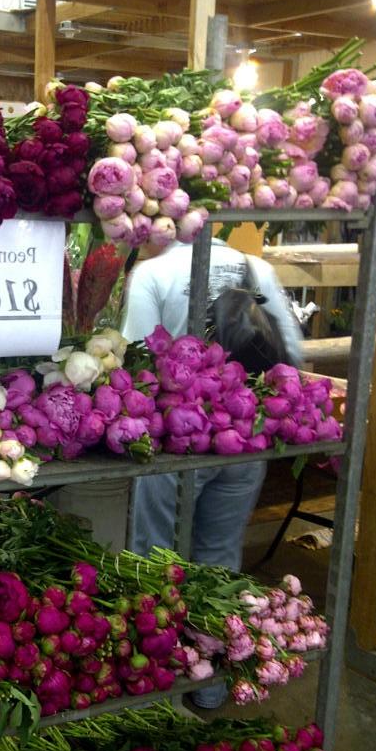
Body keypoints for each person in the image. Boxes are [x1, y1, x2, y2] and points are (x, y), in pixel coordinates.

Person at [121, 238, 302, 573]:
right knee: (219, 561)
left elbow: (138, 366)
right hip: (245, 440)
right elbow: (291, 354)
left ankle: (169, 626)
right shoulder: (257, 268)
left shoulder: (152, 274)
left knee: (156, 565)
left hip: (177, 445)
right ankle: (213, 627)